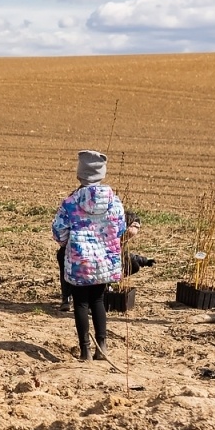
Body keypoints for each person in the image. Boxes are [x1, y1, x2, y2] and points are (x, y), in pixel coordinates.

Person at [52, 150, 127, 361]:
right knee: (98, 300)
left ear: (79, 174)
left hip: (79, 262)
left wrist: (68, 245)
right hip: (105, 261)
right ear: (102, 173)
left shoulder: (70, 202)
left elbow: (58, 232)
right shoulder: (115, 201)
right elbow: (120, 229)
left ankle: (85, 350)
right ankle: (102, 346)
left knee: (80, 303)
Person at [59, 210, 154, 309]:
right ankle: (67, 298)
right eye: (127, 235)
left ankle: (100, 290)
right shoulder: (107, 233)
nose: (127, 238)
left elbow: (123, 254)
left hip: (94, 258)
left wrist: (143, 261)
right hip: (74, 254)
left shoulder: (118, 236)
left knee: (133, 265)